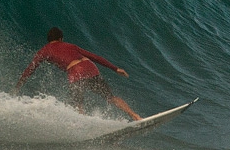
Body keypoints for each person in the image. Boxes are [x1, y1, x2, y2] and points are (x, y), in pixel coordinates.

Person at [13, 27, 142, 121]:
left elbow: (30, 69)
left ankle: (85, 128)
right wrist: (115, 69)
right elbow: (95, 57)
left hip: (76, 73)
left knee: (78, 105)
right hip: (91, 67)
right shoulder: (71, 46)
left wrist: (18, 85)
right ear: (61, 39)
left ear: (49, 40)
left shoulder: (44, 50)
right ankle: (135, 116)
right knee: (111, 97)